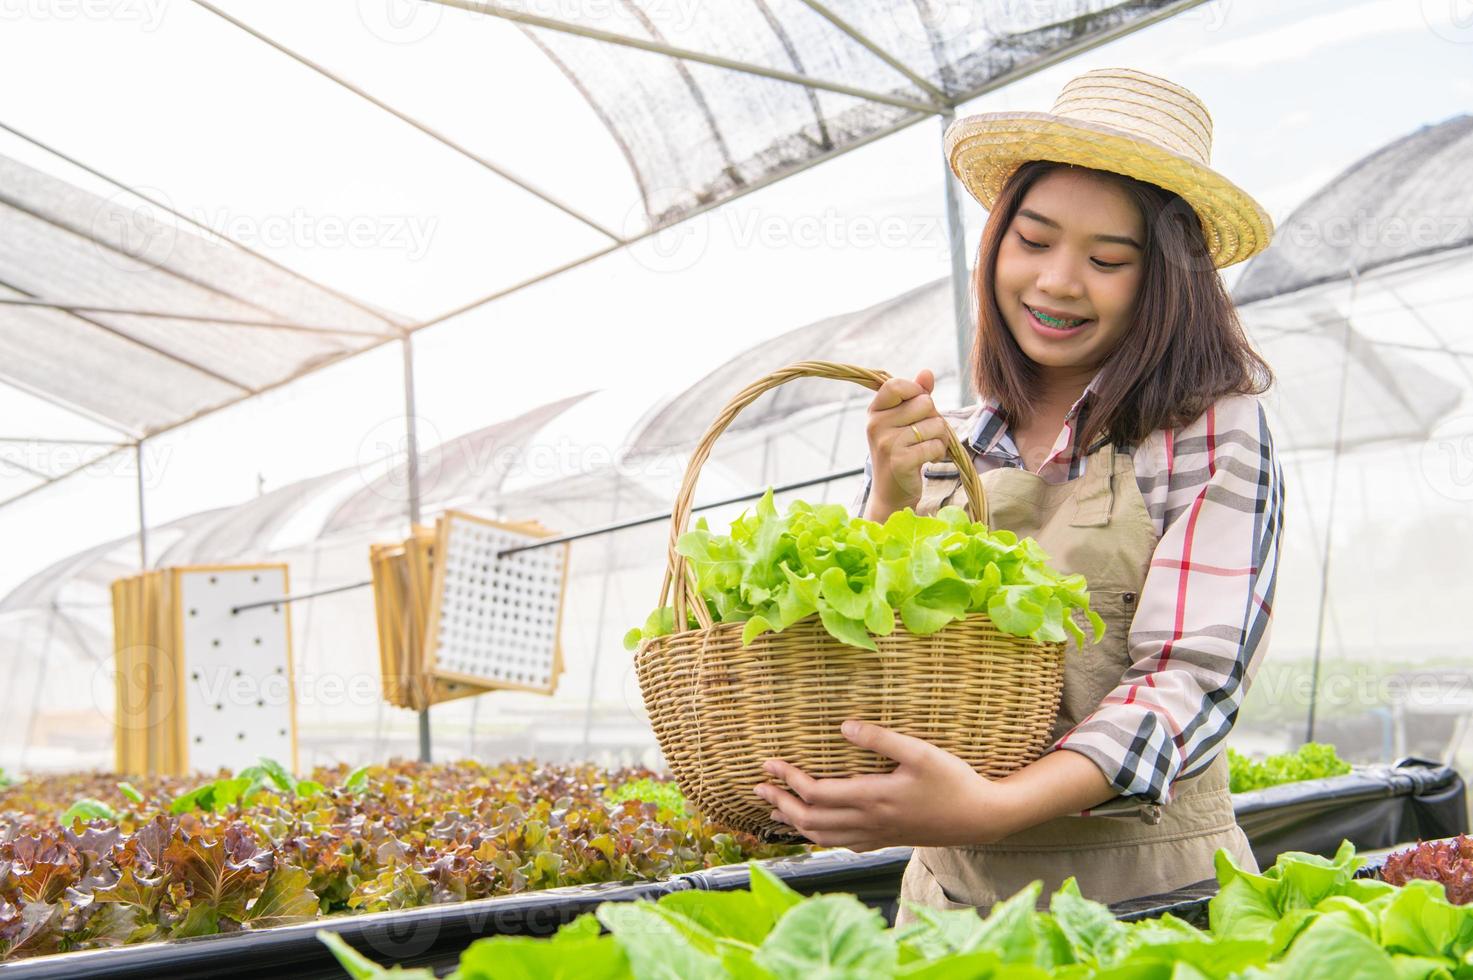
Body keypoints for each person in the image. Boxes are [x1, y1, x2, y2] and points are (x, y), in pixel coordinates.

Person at [753, 67, 1285, 922]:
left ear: (1165, 285)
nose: (1058, 281)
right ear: (994, 245)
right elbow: (875, 653)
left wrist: (993, 808)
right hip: (949, 906)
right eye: (1032, 241)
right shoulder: (949, 440)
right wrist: (886, 498)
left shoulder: (1208, 430)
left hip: (1149, 908)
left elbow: (1189, 680)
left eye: (1108, 259)